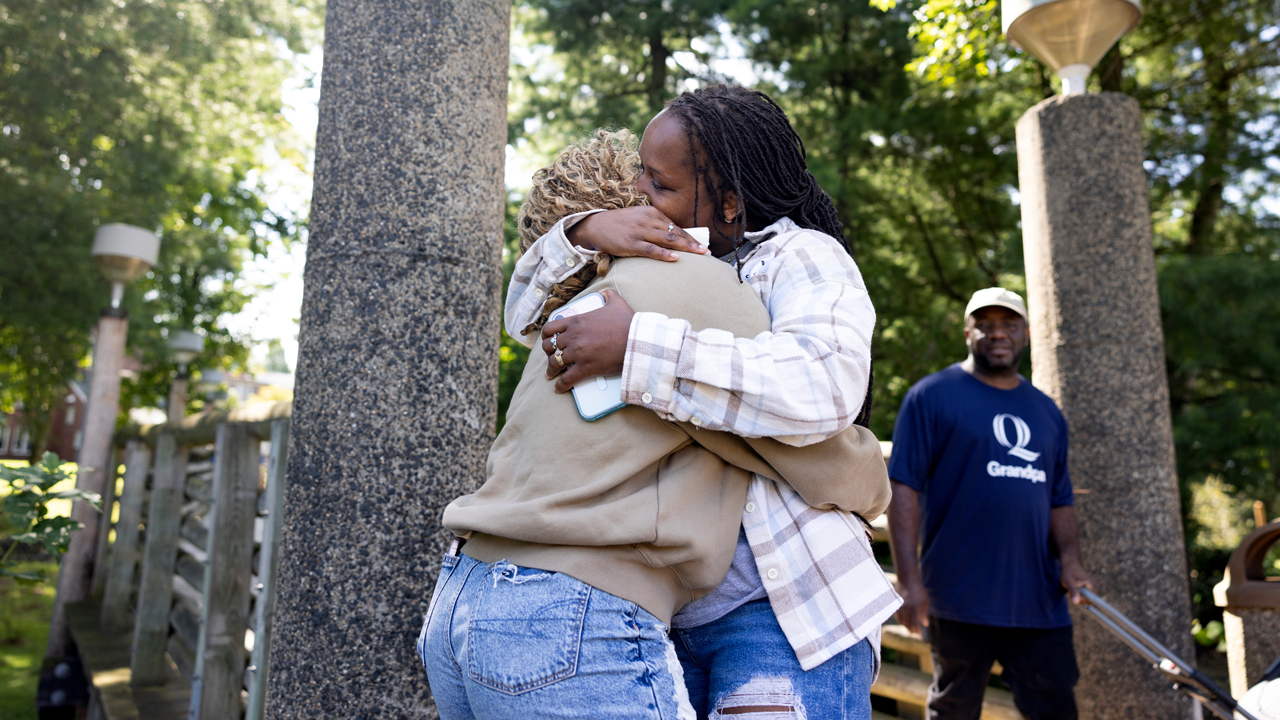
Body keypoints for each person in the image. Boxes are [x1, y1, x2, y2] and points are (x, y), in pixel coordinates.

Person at [420, 87, 897, 720]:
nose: (638, 192)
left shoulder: (798, 255)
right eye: (639, 172)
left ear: (728, 200)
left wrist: (637, 345)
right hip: (674, 612)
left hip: (782, 610)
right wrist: (582, 232)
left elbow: (824, 388)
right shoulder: (650, 259)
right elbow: (525, 320)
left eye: (659, 182)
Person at [885, 287, 1096, 720]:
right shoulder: (932, 396)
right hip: (960, 595)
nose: (997, 333)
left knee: (1056, 709)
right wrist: (908, 580)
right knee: (954, 710)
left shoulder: (1047, 412)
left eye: (1008, 324)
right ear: (968, 332)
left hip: (1039, 599)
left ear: (1026, 334)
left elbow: (1059, 497)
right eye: (986, 324)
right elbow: (903, 486)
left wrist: (1071, 561)